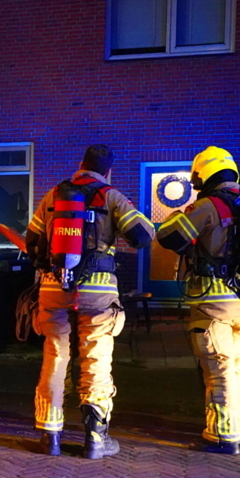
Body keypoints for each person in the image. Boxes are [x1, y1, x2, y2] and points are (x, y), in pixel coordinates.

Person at [26, 145, 154, 458]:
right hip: (98, 293)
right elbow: (143, 236)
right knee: (96, 361)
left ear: (80, 165)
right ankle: (96, 439)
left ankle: (50, 436)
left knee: (55, 357)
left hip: (54, 289)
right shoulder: (111, 196)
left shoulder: (54, 195)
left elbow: (31, 242)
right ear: (107, 171)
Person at [155, 146, 240, 455]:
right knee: (234, 369)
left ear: (204, 175)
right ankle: (231, 429)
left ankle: (223, 437)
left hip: (213, 307)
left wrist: (179, 212)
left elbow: (169, 237)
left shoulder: (208, 207)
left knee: (219, 371)